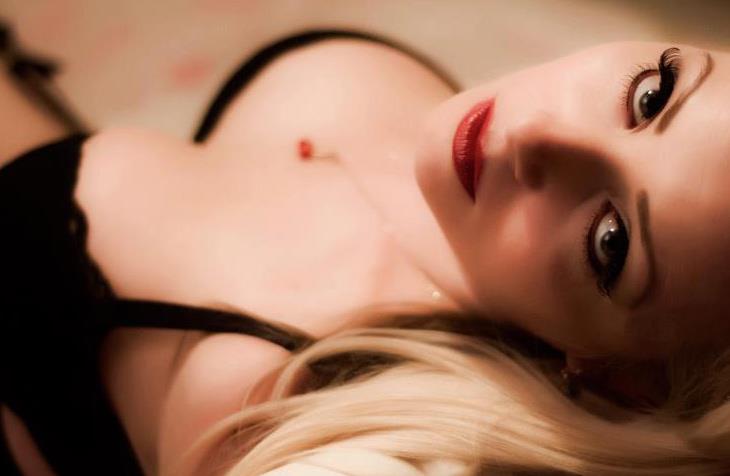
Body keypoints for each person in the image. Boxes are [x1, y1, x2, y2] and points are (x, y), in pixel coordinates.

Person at [1, 20, 729, 474]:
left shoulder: (305, 414)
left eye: (610, 242)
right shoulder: (467, 185)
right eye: (654, 93)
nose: (537, 136)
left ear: (621, 379)